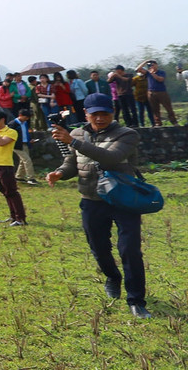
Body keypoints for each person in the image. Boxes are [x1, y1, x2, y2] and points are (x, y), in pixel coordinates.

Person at [47, 93, 150, 318]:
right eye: (95, 114)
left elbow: (111, 158)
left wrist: (73, 142)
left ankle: (136, 300)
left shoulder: (127, 134)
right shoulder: (76, 133)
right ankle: (112, 277)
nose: (100, 118)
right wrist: (60, 173)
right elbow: (72, 163)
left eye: (105, 113)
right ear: (86, 114)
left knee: (129, 250)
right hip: (92, 200)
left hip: (124, 199)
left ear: (113, 113)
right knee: (98, 247)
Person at [136, 60, 179, 127]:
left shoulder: (161, 72)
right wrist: (145, 62)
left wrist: (152, 73)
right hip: (151, 92)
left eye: (152, 65)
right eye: (150, 65)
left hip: (161, 92)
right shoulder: (147, 73)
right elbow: (138, 69)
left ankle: (174, 122)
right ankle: (158, 123)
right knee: (155, 109)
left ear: (156, 65)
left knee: (168, 107)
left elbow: (160, 79)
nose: (151, 66)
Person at [8, 108, 38, 185]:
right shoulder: (13, 124)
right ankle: (31, 178)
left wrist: (29, 140)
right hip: (16, 145)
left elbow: (25, 133)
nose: (27, 119)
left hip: (24, 144)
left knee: (23, 161)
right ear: (20, 115)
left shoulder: (24, 123)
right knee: (27, 160)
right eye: (26, 117)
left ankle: (19, 177)